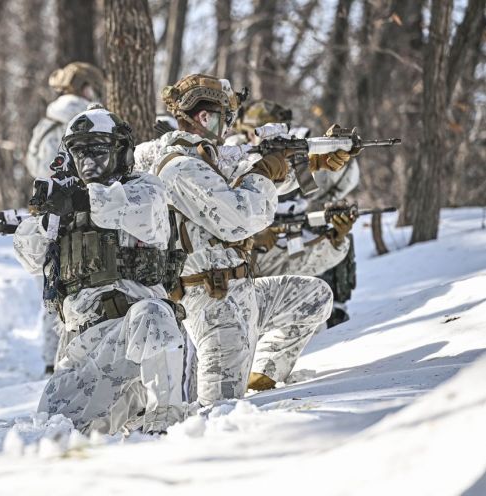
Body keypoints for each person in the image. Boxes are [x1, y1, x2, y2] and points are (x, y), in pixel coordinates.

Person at [146, 74, 346, 402]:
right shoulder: (180, 167)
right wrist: (265, 171)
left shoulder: (207, 159)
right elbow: (239, 218)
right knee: (218, 413)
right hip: (213, 303)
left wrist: (310, 161)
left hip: (241, 292)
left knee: (314, 296)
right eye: (226, 118)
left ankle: (262, 375)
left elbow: (249, 182)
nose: (230, 127)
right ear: (204, 118)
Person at [14, 107, 186, 435]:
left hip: (132, 341)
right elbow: (29, 255)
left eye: (97, 150)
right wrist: (49, 219)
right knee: (52, 435)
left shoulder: (144, 190)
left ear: (119, 151)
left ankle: (165, 419)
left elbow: (120, 207)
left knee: (153, 313)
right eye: (79, 152)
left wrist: (75, 200)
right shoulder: (66, 203)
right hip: (82, 351)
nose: (87, 161)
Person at [236, 100, 361, 327]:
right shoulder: (230, 161)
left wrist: (335, 238)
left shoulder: (284, 159)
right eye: (263, 133)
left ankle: (337, 308)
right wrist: (252, 237)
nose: (270, 140)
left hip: (280, 242)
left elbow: (296, 265)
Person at [25, 62, 106, 373]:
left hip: (46, 210)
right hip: (76, 210)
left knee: (50, 286)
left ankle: (51, 359)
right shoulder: (85, 119)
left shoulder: (46, 120)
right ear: (86, 88)